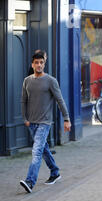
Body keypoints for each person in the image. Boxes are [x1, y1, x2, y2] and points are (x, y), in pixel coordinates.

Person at [19, 52, 71, 193]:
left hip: (45, 122)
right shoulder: (27, 81)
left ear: (44, 64)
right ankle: (55, 172)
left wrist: (66, 119)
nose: (39, 65)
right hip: (32, 123)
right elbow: (23, 101)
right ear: (32, 64)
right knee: (44, 150)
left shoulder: (50, 81)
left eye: (41, 62)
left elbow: (60, 100)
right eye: (36, 62)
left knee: (36, 151)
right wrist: (25, 118)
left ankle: (30, 182)